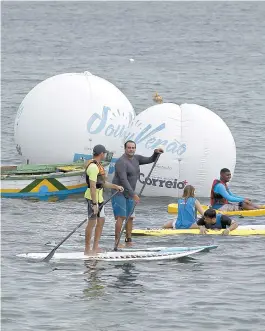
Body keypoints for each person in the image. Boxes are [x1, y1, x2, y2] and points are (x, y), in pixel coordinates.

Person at [112, 140, 163, 246]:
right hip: (119, 192)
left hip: (130, 193)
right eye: (129, 148)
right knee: (121, 217)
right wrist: (134, 194)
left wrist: (156, 152)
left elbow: (151, 159)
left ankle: (128, 240)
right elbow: (123, 180)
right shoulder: (121, 162)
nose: (131, 149)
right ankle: (117, 241)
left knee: (130, 217)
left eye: (133, 148)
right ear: (125, 149)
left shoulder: (137, 158)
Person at [84, 144, 124, 255]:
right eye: (104, 153)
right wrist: (94, 204)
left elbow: (102, 183)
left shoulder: (98, 165)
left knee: (101, 221)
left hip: (100, 198)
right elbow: (92, 186)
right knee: (91, 223)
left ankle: (95, 247)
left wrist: (116, 186)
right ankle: (87, 249)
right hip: (92, 199)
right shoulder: (92, 167)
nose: (105, 154)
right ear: (101, 154)